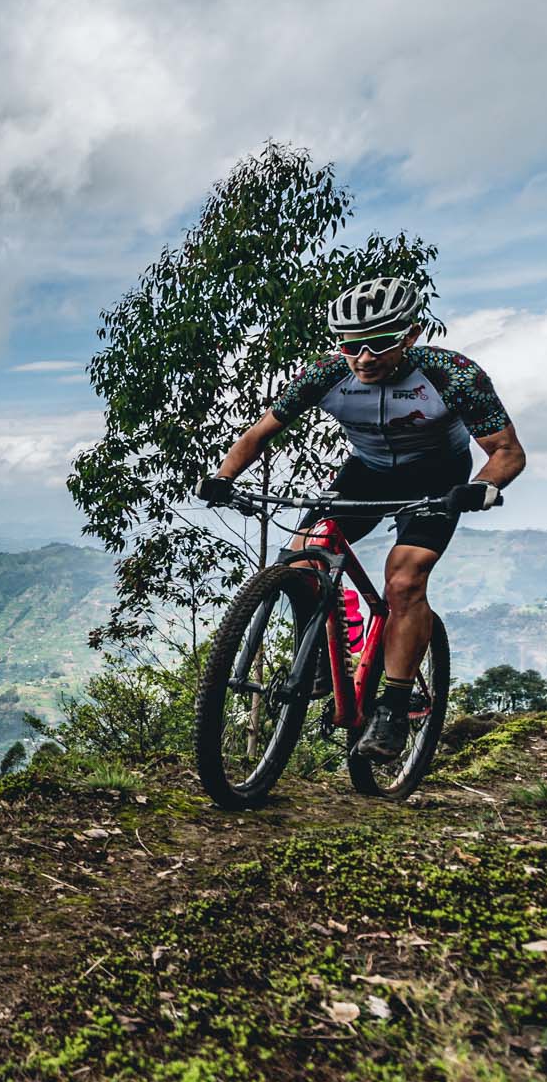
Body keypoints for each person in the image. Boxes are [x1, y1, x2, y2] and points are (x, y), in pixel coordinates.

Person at [196, 277, 527, 760]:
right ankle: (318, 667)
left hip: (438, 478)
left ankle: (393, 708)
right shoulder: (326, 373)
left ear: (411, 336)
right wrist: (223, 476)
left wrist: (483, 486)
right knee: (301, 560)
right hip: (366, 474)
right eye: (352, 345)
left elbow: (506, 451)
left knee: (405, 582)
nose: (365, 357)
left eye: (380, 343)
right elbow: (258, 434)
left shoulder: (451, 373)